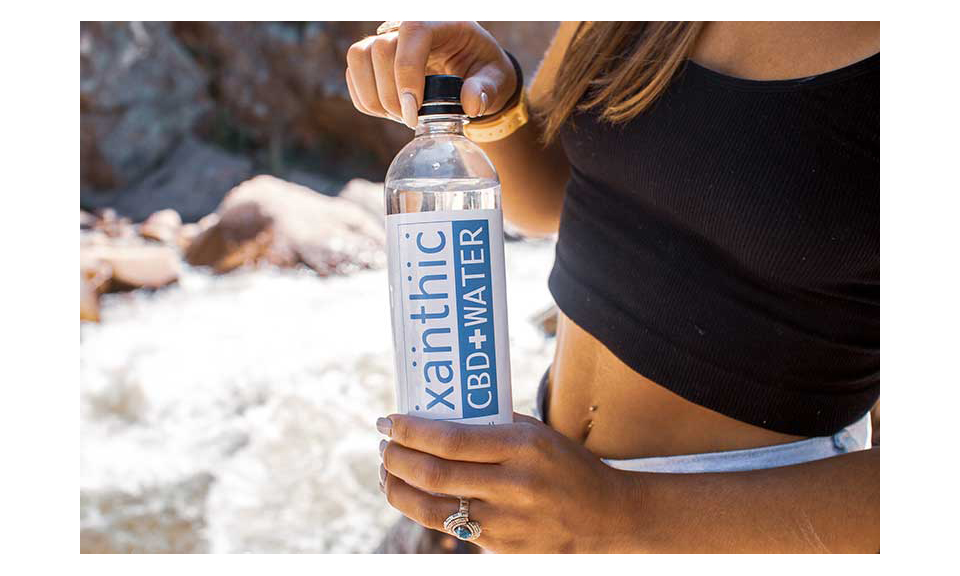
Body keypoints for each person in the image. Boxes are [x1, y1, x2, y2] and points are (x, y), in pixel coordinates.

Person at [346, 21, 879, 553]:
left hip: (725, 533)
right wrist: (495, 101)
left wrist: (616, 513)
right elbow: (558, 194)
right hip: (522, 491)